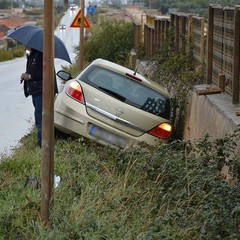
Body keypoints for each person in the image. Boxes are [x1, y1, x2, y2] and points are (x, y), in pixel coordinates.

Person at [20, 47, 58, 147]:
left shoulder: (41, 55)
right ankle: (42, 142)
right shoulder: (33, 55)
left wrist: (29, 76)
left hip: (42, 91)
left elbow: (44, 71)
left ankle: (43, 145)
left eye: (26, 45)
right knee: (40, 119)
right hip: (37, 91)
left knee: (41, 119)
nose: (25, 46)